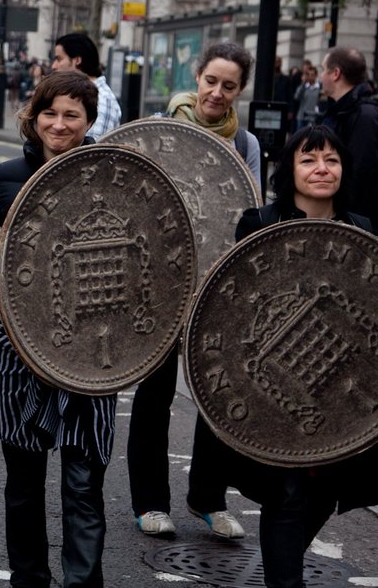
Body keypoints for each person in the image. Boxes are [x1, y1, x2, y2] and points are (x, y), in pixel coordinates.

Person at [206, 124, 378, 588]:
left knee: (325, 494)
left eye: (331, 160)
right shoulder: (259, 224)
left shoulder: (361, 229)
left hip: (342, 391)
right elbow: (233, 305)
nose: (322, 169)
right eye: (309, 160)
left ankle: (284, 567)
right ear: (290, 170)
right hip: (275, 390)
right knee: (286, 495)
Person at [0, 71, 113, 588]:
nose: (59, 124)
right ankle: (29, 580)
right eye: (50, 112)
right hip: (15, 348)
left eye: (72, 115)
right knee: (23, 483)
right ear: (35, 115)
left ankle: (82, 583)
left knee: (84, 482)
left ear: (90, 120)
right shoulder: (2, 179)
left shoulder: (111, 179)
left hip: (94, 351)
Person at [128, 41, 261, 539]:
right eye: (211, 81)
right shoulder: (162, 128)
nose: (218, 94)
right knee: (154, 392)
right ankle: (148, 503)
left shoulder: (245, 143)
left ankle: (207, 498)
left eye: (229, 87)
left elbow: (251, 212)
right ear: (197, 77)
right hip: (160, 280)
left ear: (240, 91)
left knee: (218, 393)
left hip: (218, 283)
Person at [318, 46, 378, 220]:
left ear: (336, 73)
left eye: (323, 70)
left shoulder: (365, 115)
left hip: (350, 218)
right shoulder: (340, 110)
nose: (321, 76)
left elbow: (361, 171)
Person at [51, 32, 121, 141]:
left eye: (59, 59)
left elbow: (91, 154)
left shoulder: (102, 99)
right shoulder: (79, 93)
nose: (54, 66)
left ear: (77, 61)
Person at [293, 62, 321, 130]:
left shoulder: (320, 87)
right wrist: (303, 84)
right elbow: (296, 97)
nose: (310, 77)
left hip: (314, 117)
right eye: (308, 75)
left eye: (312, 75)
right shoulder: (303, 87)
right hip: (302, 117)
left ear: (316, 75)